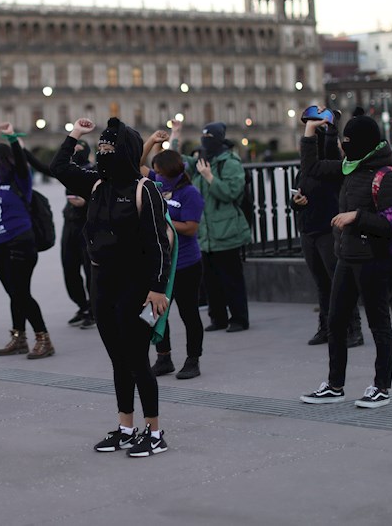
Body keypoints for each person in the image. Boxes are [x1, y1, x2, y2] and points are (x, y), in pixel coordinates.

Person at [51, 117, 173, 457]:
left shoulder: (143, 189)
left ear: (125, 152)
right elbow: (59, 166)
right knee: (118, 360)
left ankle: (154, 431)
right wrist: (74, 133)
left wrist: (158, 288)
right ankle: (125, 427)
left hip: (135, 285)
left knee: (137, 359)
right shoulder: (96, 183)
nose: (103, 152)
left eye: (109, 147)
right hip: (102, 282)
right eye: (101, 147)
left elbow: (158, 243)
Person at [301, 114, 392, 409]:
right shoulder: (350, 168)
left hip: (373, 259)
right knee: (335, 321)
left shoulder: (387, 177)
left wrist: (356, 217)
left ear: (363, 145)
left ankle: (381, 386)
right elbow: (312, 170)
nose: (344, 150)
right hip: (346, 256)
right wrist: (310, 132)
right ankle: (335, 386)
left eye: (348, 144)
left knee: (379, 324)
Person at [0, 123, 54, 359]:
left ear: (2, 161)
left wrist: (12, 139)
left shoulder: (20, 179)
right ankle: (19, 338)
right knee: (14, 293)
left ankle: (43, 338)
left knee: (21, 293)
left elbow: (19, 160)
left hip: (20, 242)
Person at [170, 120, 251, 333]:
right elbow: (173, 161)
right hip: (205, 233)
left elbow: (232, 193)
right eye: (203, 137)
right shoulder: (200, 161)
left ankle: (239, 318)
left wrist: (209, 177)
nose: (205, 142)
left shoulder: (230, 162)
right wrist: (175, 134)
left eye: (209, 138)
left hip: (226, 231)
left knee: (231, 277)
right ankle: (218, 318)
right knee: (210, 279)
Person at [140, 132, 205, 379]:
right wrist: (152, 141)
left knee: (189, 313)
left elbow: (191, 227)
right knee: (154, 311)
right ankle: (163, 357)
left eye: (158, 169)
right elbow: (137, 165)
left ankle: (193, 358)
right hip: (160, 264)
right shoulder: (158, 181)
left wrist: (164, 222)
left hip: (186, 263)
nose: (154, 172)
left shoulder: (190, 193)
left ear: (169, 170)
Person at [296, 116, 365, 348]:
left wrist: (329, 130)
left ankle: (353, 328)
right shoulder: (305, 169)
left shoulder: (330, 165)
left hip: (328, 229)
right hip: (308, 229)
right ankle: (326, 327)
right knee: (321, 283)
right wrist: (296, 201)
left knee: (339, 281)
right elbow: (299, 191)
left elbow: (329, 156)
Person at [26, 141, 95, 329]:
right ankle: (82, 305)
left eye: (78, 150)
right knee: (69, 268)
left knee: (90, 270)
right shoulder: (67, 170)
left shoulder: (94, 171)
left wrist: (86, 201)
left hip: (88, 225)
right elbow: (41, 167)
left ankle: (94, 309)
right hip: (70, 224)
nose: (74, 152)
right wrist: (20, 146)